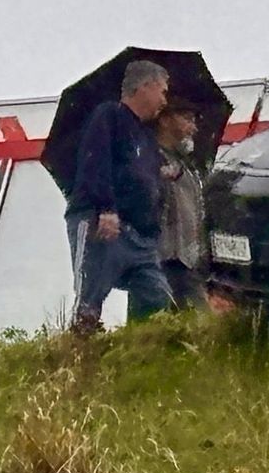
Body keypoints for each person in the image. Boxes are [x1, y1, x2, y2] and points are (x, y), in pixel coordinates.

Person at [64, 59, 175, 334]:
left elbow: (142, 174)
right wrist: (105, 208)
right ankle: (77, 356)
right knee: (90, 298)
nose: (165, 100)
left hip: (141, 236)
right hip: (102, 223)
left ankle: (140, 352)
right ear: (146, 86)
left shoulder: (147, 136)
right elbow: (95, 161)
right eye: (162, 91)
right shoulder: (108, 115)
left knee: (157, 296)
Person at [153, 98, 208, 311]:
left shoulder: (186, 163)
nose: (193, 128)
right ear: (165, 120)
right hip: (163, 260)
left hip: (188, 260)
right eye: (187, 119)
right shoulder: (147, 157)